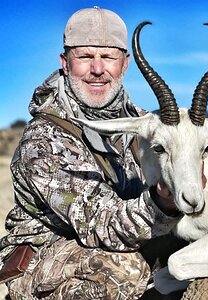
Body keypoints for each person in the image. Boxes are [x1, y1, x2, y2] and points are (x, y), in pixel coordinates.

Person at [0, 7, 186, 300]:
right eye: (85, 56)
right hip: (46, 256)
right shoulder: (43, 142)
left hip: (122, 233)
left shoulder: (144, 124)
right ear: (65, 62)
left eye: (109, 57)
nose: (97, 69)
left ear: (124, 64)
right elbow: (102, 224)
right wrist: (164, 201)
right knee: (124, 270)